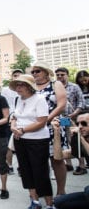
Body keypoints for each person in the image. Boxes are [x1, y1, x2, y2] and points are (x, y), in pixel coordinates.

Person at [9, 75, 57, 209]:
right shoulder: (18, 99)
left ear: (29, 86)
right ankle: (35, 201)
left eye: (21, 85)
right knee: (26, 171)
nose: (18, 88)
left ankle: (50, 206)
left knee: (41, 173)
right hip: (20, 140)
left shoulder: (39, 99)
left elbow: (42, 122)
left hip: (37, 140)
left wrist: (22, 130)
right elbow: (15, 117)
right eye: (16, 85)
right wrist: (13, 127)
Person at [31, 61, 67, 196]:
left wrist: (46, 120)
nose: (34, 74)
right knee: (40, 162)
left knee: (57, 160)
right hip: (35, 129)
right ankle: (45, 192)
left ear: (46, 72)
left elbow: (61, 105)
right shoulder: (31, 87)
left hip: (53, 127)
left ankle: (61, 191)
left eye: (37, 71)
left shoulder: (55, 84)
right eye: (33, 72)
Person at [53, 113, 89, 209]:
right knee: (60, 202)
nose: (80, 127)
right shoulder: (81, 142)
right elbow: (58, 156)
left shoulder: (82, 140)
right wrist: (56, 132)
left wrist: (80, 138)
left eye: (84, 123)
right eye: (78, 124)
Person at [55, 67, 86, 175]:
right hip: (60, 119)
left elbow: (81, 103)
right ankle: (68, 164)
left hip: (72, 118)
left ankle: (82, 165)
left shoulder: (74, 87)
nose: (59, 77)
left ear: (67, 75)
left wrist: (74, 114)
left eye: (62, 74)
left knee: (75, 141)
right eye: (58, 75)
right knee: (63, 141)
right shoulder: (54, 88)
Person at [1, 69, 23, 174]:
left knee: (21, 145)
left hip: (22, 121)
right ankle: (9, 166)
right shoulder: (6, 90)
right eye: (15, 75)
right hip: (9, 120)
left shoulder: (26, 89)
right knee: (9, 145)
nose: (17, 77)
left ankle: (21, 166)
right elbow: (4, 106)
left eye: (19, 75)